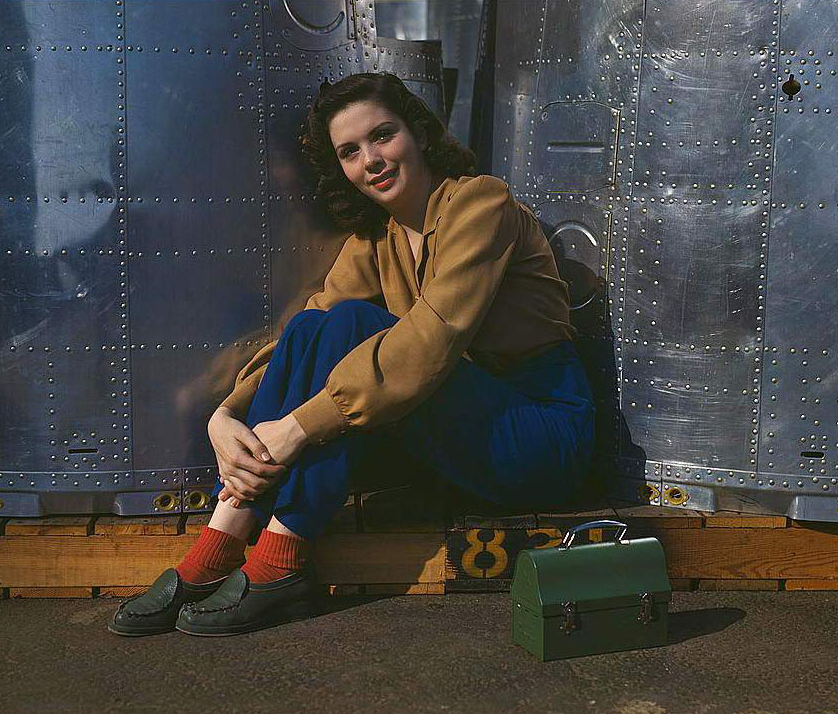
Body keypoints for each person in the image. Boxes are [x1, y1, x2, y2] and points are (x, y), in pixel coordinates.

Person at [108, 72, 595, 638]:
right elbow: (302, 333)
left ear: (417, 132)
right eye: (350, 152)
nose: (372, 160)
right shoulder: (378, 239)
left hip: (538, 434)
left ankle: (272, 561)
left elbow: (429, 344)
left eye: (382, 135)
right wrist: (227, 414)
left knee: (353, 325)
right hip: (458, 439)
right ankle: (225, 539)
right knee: (319, 324)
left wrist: (296, 429)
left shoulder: (481, 204)